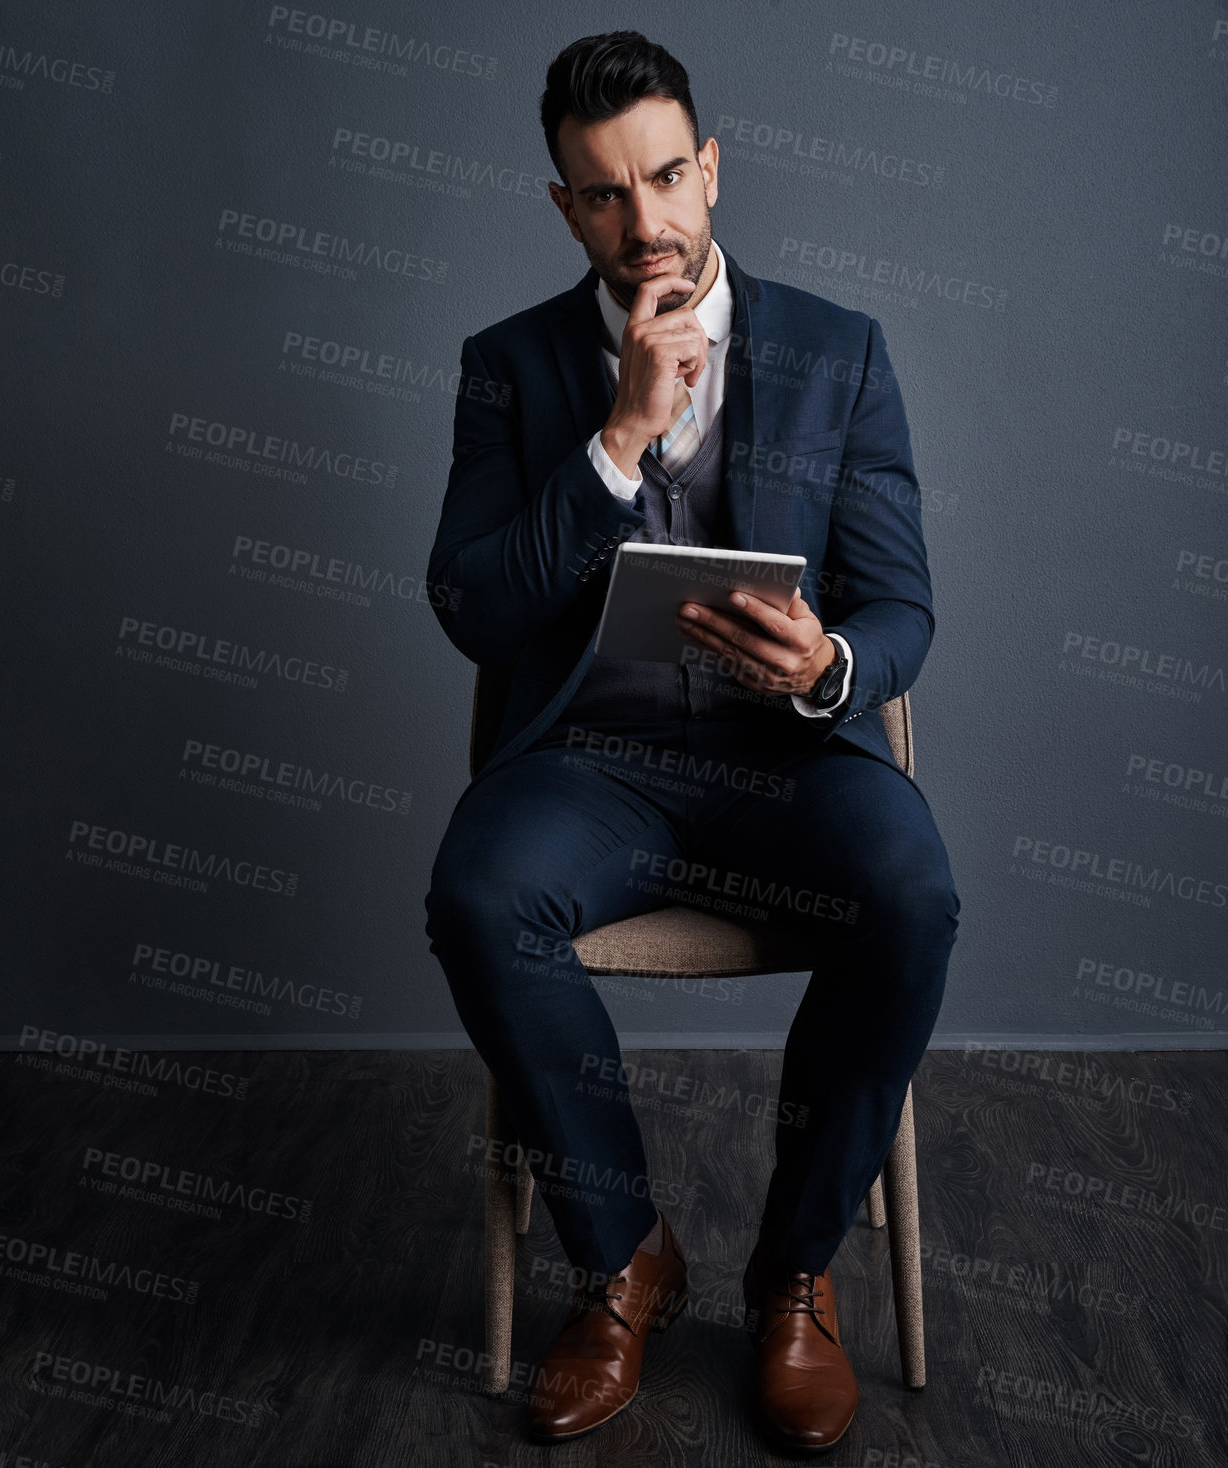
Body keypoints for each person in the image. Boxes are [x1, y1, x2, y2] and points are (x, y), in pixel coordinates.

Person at [423, 29, 960, 1453]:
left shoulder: (840, 354)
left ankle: (793, 1274)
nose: (645, 224)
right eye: (603, 196)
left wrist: (831, 664)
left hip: (785, 760)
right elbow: (471, 607)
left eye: (666, 178)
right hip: (589, 769)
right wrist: (613, 443)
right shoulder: (510, 367)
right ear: (563, 206)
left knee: (910, 895)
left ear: (710, 167)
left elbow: (900, 600)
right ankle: (623, 1264)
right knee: (477, 897)